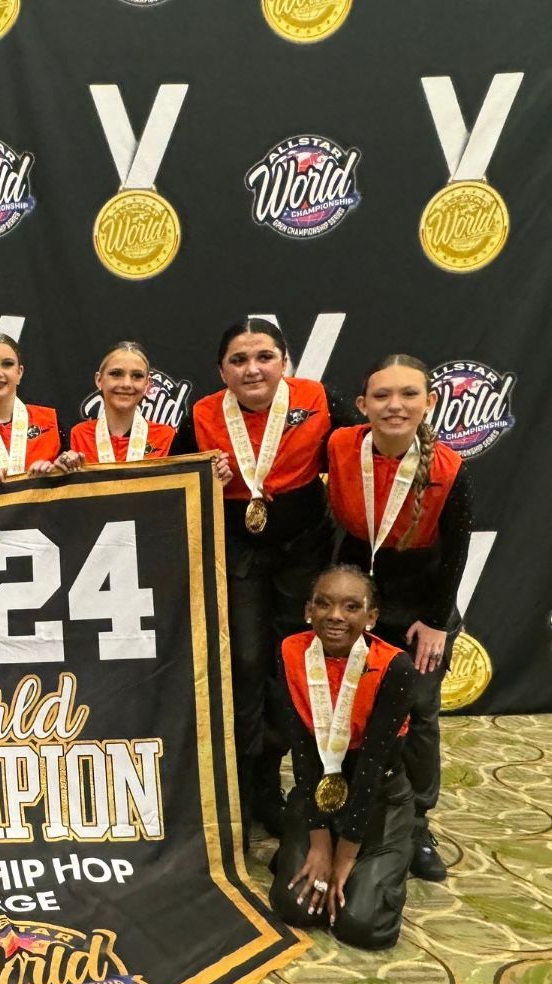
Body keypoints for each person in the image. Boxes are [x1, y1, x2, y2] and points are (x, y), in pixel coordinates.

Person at [192, 318, 355, 842]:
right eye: (238, 360)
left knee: (294, 664)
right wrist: (199, 470)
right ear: (222, 371)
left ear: (284, 361)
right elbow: (165, 470)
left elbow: (367, 444)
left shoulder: (319, 398)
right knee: (243, 662)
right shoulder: (201, 412)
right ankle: (244, 781)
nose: (252, 368)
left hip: (303, 552)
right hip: (238, 552)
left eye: (263, 356)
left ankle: (278, 778)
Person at [327, 355, 472, 881]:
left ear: (429, 402)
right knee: (348, 704)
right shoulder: (341, 445)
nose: (395, 405)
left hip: (421, 602)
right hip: (358, 593)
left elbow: (458, 549)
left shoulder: (449, 467)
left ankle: (416, 824)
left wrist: (436, 620)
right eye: (383, 395)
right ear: (363, 405)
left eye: (409, 394)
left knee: (420, 716)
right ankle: (347, 803)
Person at [270, 565, 416, 949]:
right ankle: (309, 845)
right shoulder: (291, 651)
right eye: (324, 604)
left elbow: (373, 764)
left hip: (378, 795)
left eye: (351, 607)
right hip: (316, 789)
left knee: (360, 925)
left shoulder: (394, 665)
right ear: (308, 610)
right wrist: (320, 843)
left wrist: (344, 856)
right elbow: (301, 751)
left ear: (371, 617)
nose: (335, 615)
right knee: (297, 907)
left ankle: (393, 853)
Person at [0, 333, 77, 480]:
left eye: (7, 364)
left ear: (19, 372)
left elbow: (76, 486)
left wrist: (60, 469)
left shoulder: (51, 421)